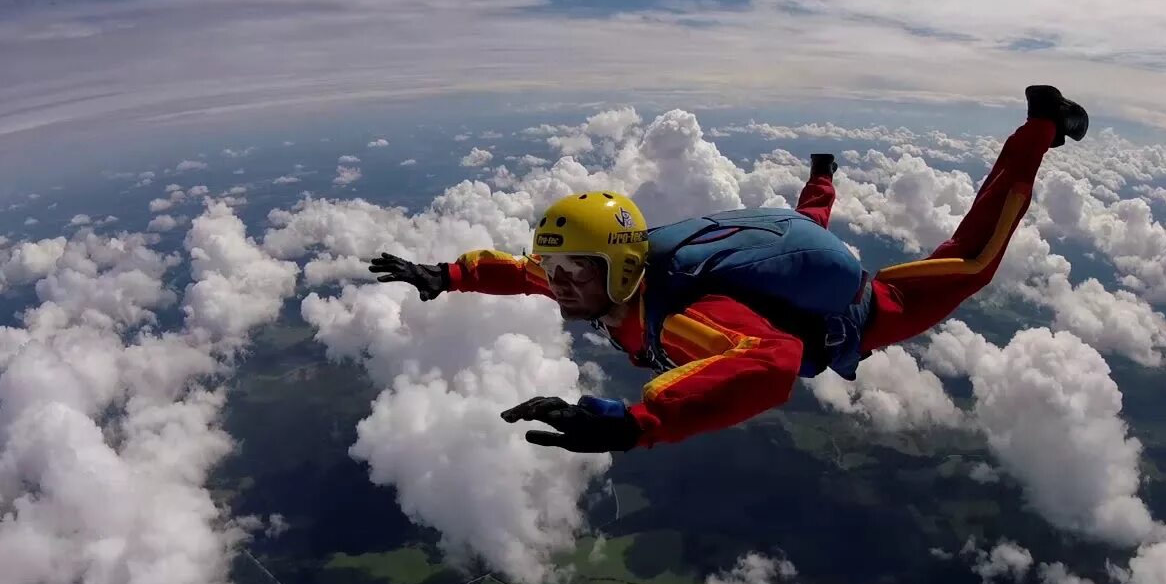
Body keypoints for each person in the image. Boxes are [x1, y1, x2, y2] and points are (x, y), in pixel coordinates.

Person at [370, 85, 1089, 454]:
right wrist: (447, 274)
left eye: (572, 272)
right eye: (557, 270)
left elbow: (772, 362)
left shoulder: (687, 317)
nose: (557, 283)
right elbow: (518, 270)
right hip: (787, 264)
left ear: (618, 269)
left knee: (972, 261)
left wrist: (633, 422)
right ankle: (824, 175)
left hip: (870, 311)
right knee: (806, 225)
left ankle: (1043, 124)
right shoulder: (598, 284)